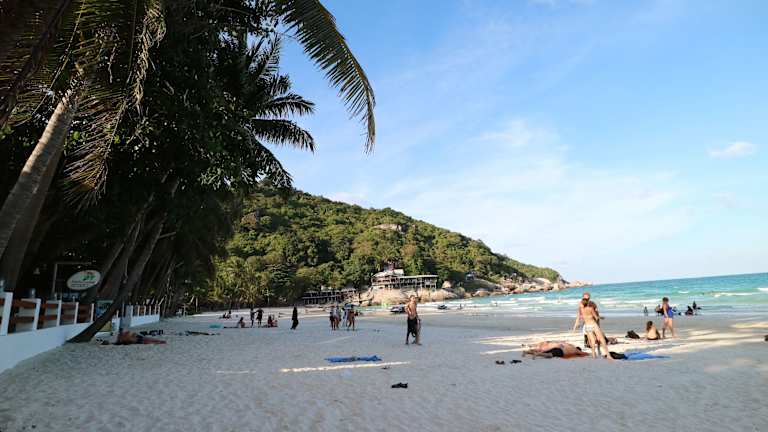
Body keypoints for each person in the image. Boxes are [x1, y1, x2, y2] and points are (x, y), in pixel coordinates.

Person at [522, 341, 589, 359]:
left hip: (557, 348)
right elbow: (584, 353)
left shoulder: (570, 345)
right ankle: (538, 354)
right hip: (560, 351)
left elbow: (562, 343)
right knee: (549, 355)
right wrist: (588, 353)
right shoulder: (576, 350)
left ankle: (527, 352)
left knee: (546, 351)